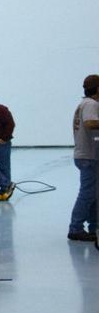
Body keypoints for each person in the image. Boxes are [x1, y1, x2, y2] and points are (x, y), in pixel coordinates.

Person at [68, 74, 99, 242]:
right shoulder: (91, 104)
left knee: (94, 193)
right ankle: (76, 228)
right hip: (89, 156)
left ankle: (94, 226)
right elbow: (90, 124)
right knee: (87, 194)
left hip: (87, 155)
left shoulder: (84, 104)